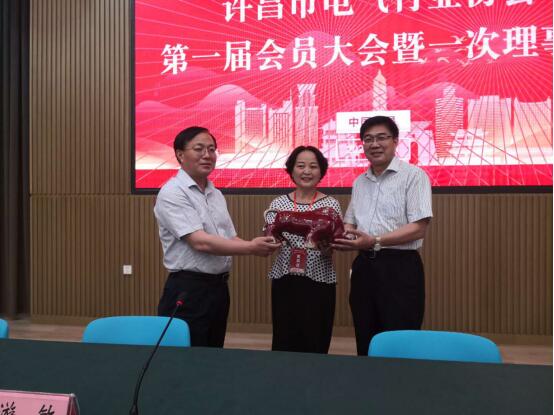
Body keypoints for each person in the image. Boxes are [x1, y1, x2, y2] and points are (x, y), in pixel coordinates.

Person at [154, 126, 280, 348]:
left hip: (219, 288)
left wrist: (259, 245)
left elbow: (230, 238)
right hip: (188, 289)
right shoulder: (172, 192)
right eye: (199, 149)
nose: (207, 155)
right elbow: (200, 242)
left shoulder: (215, 194)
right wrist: (251, 248)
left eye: (212, 149)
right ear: (180, 155)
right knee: (185, 357)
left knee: (212, 352)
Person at [332, 116, 433, 356]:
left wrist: (375, 241)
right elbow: (350, 222)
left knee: (400, 338)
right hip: (364, 267)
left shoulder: (414, 176)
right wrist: (340, 238)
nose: (374, 144)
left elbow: (419, 227)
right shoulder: (360, 182)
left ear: (395, 141)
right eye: (368, 139)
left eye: (381, 138)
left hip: (400, 268)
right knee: (365, 335)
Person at [265, 146, 342, 354]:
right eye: (300, 166)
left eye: (313, 166)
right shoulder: (278, 203)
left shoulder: (331, 205)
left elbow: (331, 248)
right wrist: (269, 242)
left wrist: (326, 247)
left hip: (319, 280)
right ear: (291, 170)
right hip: (285, 279)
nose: (306, 171)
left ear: (321, 171)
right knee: (284, 339)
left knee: (316, 339)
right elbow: (271, 240)